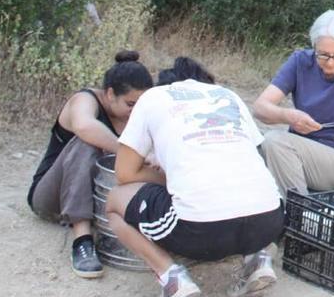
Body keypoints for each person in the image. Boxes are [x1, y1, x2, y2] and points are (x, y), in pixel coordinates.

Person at [105, 57, 283, 297]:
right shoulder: (227, 95)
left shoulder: (154, 97)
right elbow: (257, 157)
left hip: (201, 231)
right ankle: (258, 258)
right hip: (270, 221)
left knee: (114, 201)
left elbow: (124, 173)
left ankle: (172, 278)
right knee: (244, 190)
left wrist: (170, 179)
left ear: (166, 85)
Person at [27, 50, 152, 278]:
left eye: (141, 105)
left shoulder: (137, 116)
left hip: (100, 200)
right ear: (111, 93)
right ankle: (82, 240)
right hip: (51, 196)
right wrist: (130, 152)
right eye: (130, 104)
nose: (136, 111)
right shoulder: (84, 100)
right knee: (87, 142)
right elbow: (84, 126)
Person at [254, 10, 334, 196]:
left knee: (275, 142)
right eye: (323, 55)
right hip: (300, 148)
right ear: (314, 45)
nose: (330, 63)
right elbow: (260, 108)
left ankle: (300, 212)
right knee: (254, 145)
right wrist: (288, 116)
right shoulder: (300, 62)